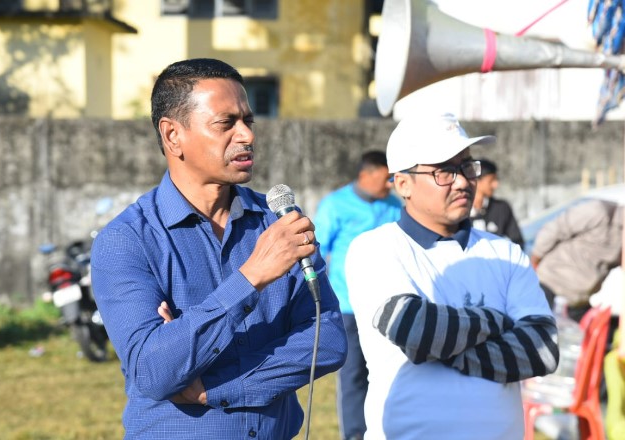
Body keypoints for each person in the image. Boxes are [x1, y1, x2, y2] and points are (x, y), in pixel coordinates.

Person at [90, 58, 347, 439]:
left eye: (248, 121)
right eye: (225, 123)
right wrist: (251, 277)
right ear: (173, 135)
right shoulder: (127, 240)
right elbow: (154, 371)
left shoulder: (279, 223)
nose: (246, 135)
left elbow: (326, 341)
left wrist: (217, 388)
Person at [345, 113, 559, 440]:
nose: (461, 181)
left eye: (466, 166)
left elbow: (542, 349)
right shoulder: (375, 248)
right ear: (403, 184)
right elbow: (416, 330)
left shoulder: (506, 253)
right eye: (444, 170)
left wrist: (445, 349)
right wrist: (497, 320)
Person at [313, 150, 402, 440]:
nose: (389, 184)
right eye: (384, 178)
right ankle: (353, 434)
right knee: (353, 376)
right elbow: (317, 252)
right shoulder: (335, 205)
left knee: (390, 373)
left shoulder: (393, 205)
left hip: (389, 306)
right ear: (365, 175)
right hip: (349, 306)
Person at [531, 198, 623, 322]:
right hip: (550, 285)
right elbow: (555, 229)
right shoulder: (599, 211)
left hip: (578, 301)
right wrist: (535, 259)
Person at [470, 158, 524, 248]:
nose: (496, 185)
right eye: (491, 181)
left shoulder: (501, 208)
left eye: (496, 180)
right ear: (477, 180)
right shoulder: (460, 209)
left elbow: (517, 241)